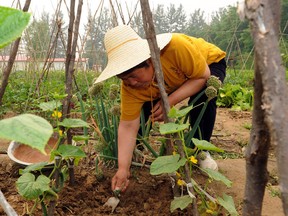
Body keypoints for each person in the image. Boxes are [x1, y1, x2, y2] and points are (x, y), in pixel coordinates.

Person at [94, 25, 226, 192]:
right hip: (168, 78)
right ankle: (137, 150)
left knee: (203, 98)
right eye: (125, 80)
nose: (131, 83)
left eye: (133, 76)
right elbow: (128, 126)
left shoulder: (176, 48)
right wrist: (122, 168)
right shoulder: (131, 87)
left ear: (149, 61)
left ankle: (202, 151)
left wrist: (168, 102)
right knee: (145, 105)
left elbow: (202, 76)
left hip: (207, 64)